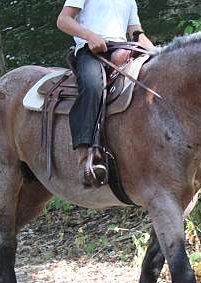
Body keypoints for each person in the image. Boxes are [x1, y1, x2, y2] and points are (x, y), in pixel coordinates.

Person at [56, 0, 154, 186]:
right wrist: (90, 36)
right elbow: (63, 20)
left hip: (122, 51)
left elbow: (137, 34)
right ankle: (85, 155)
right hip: (90, 51)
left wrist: (159, 53)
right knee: (93, 85)